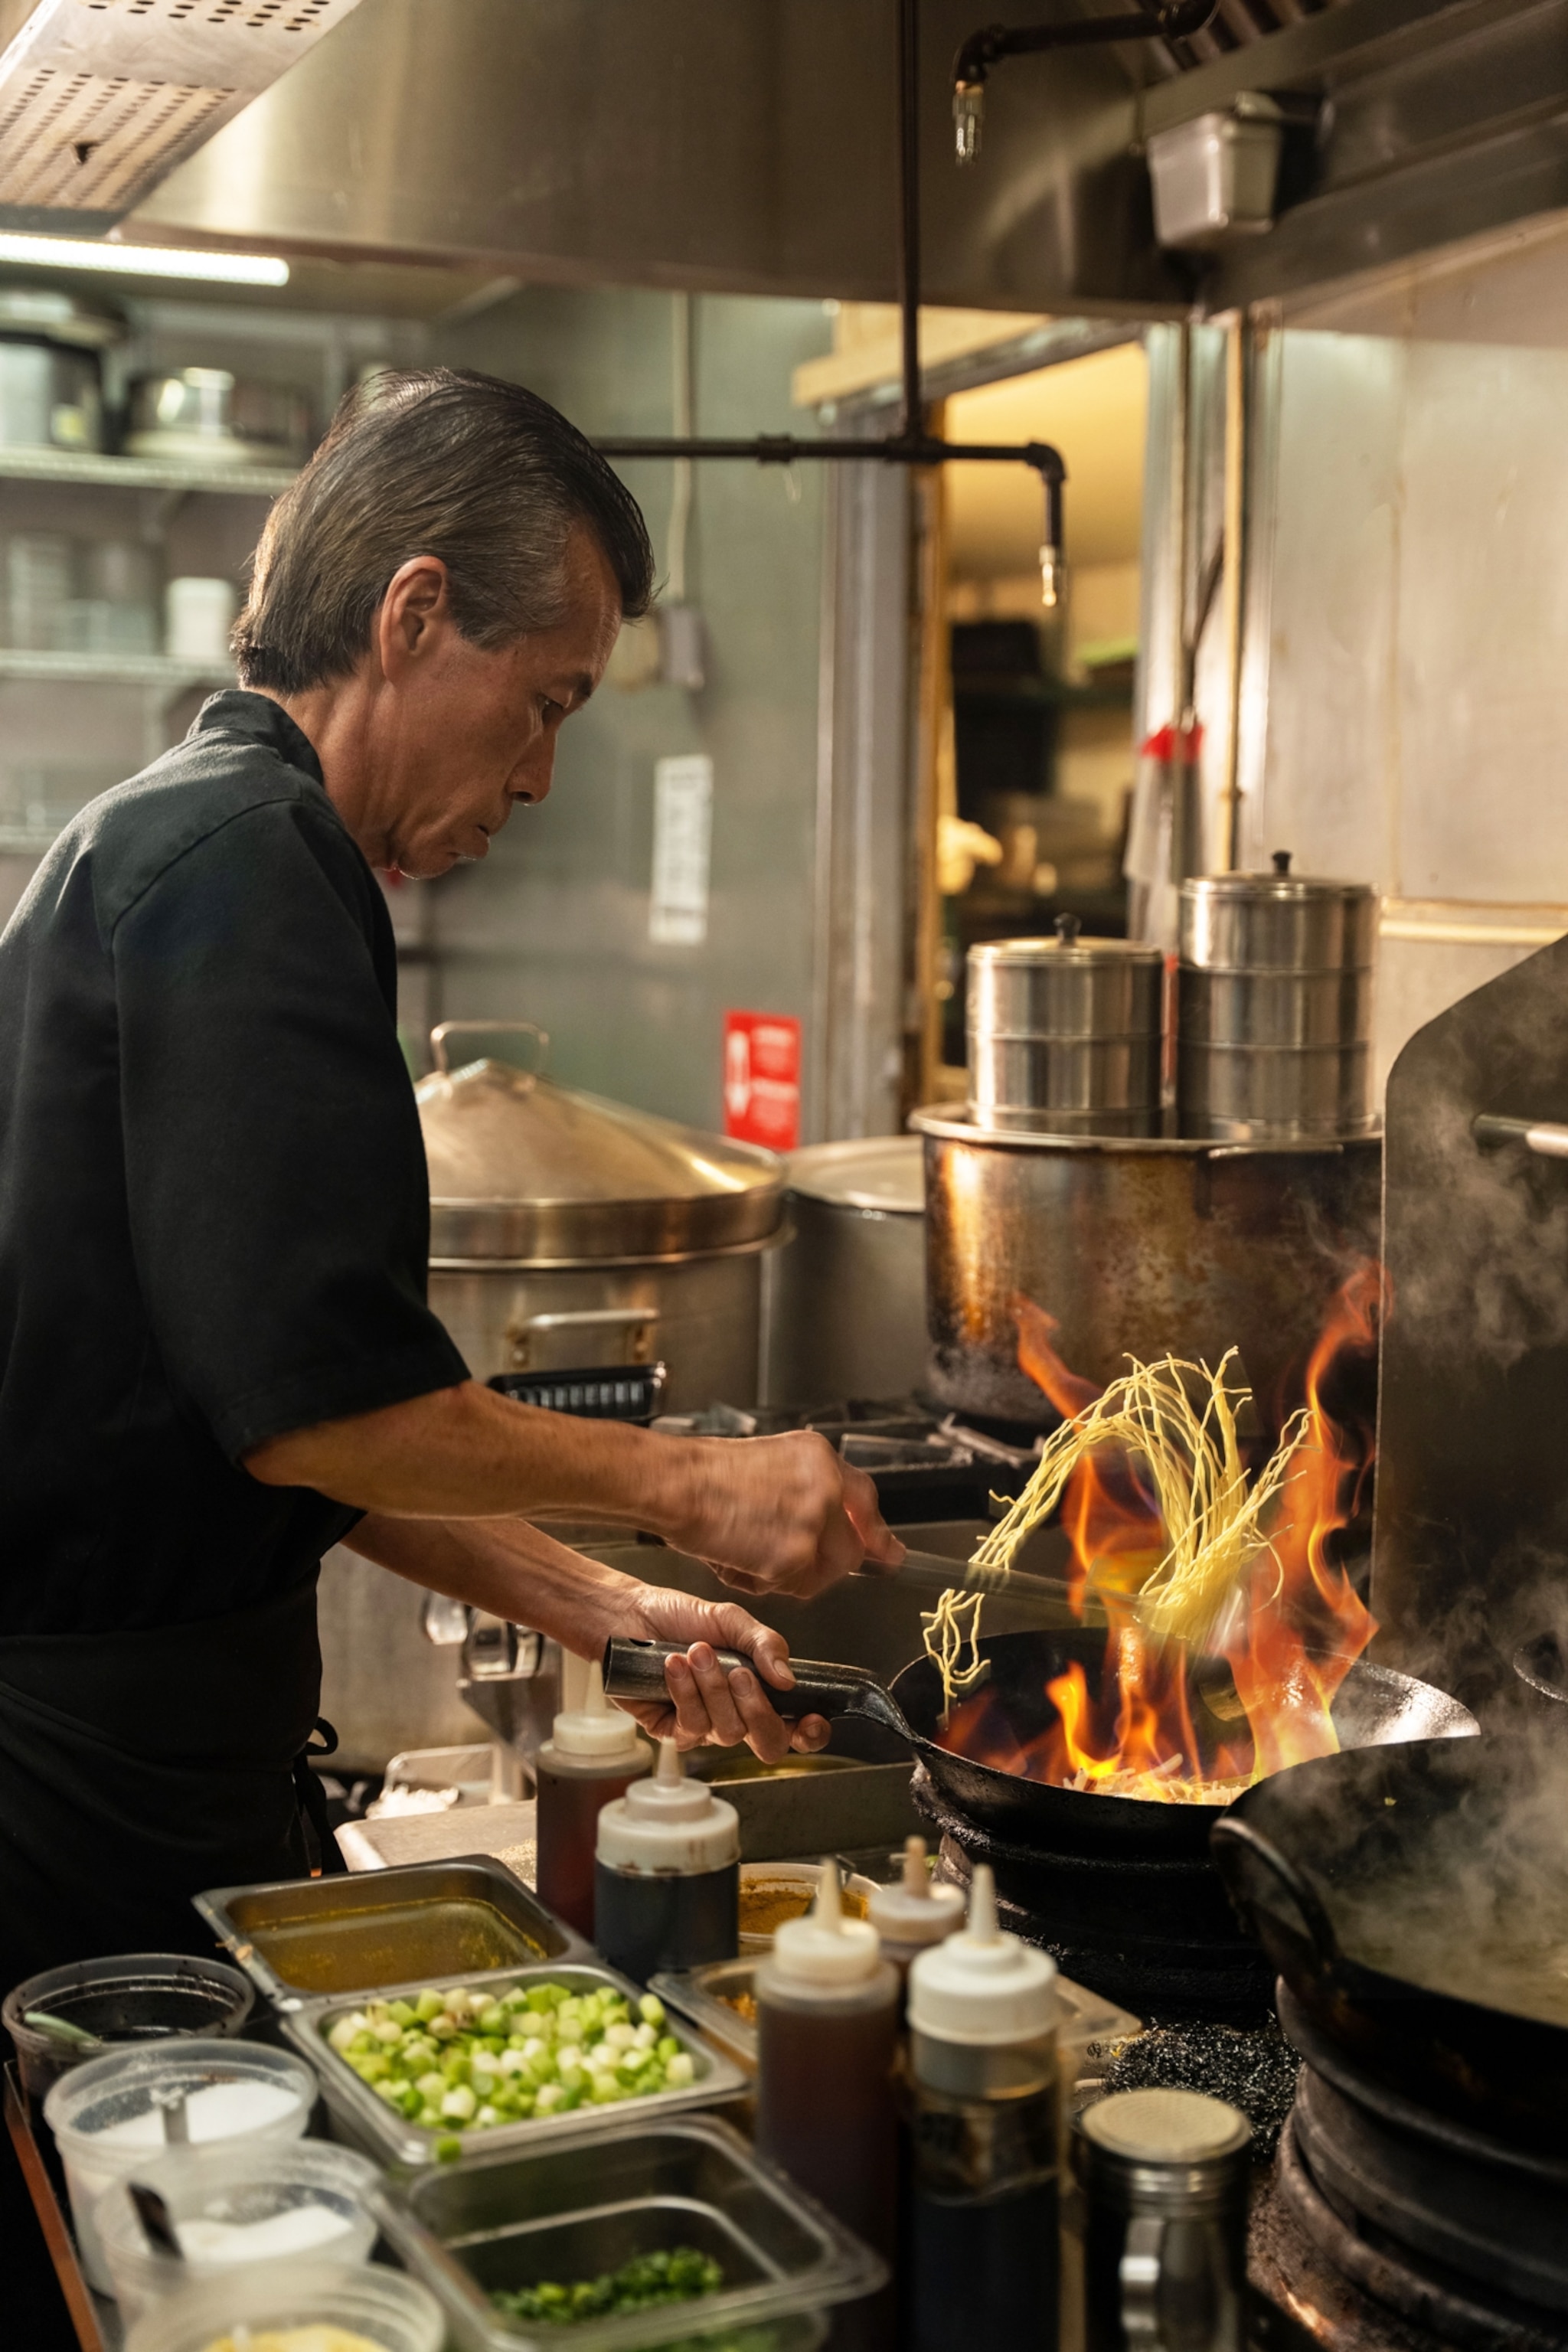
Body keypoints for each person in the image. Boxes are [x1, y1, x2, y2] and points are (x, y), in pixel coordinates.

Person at [0, 368, 902, 1994]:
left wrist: (607, 1608)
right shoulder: (249, 859)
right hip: (84, 1801)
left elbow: (276, 1422)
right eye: (547, 700)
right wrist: (697, 1489)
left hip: (121, 1757)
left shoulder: (190, 837)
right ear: (414, 615)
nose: (542, 773)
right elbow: (324, 1415)